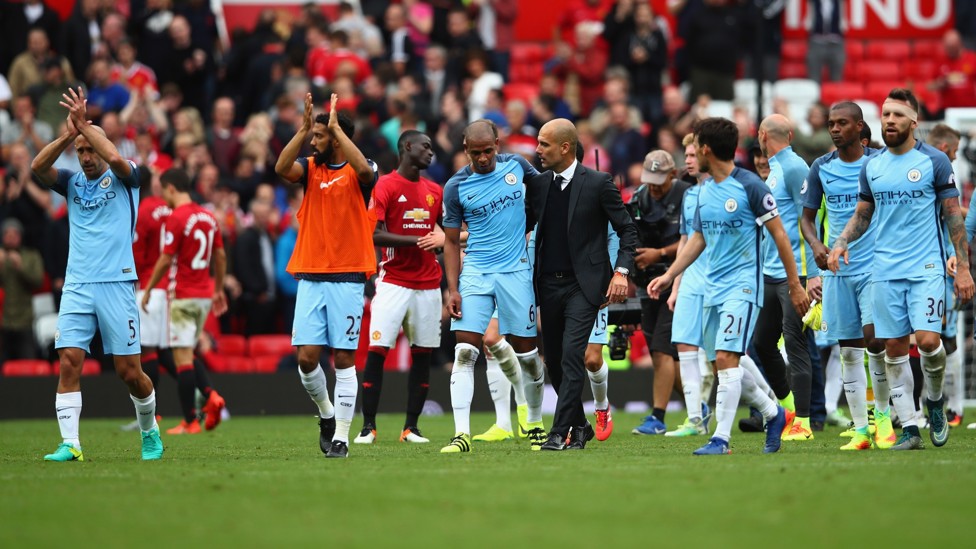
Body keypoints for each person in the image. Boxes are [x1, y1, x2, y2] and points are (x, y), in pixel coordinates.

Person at [648, 117, 808, 456]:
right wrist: (668, 275)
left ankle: (720, 439)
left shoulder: (750, 186)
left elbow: (780, 234)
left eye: (695, 149)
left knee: (725, 357)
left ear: (705, 149)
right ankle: (773, 412)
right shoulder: (704, 192)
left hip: (743, 288)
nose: (691, 154)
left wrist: (795, 284)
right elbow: (698, 239)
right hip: (711, 288)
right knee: (722, 362)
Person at [828, 88, 974, 450]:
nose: (889, 120)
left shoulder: (935, 162)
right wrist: (842, 241)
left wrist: (963, 268)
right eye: (885, 114)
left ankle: (935, 403)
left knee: (928, 341)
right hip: (885, 270)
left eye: (896, 114)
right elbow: (864, 213)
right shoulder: (872, 166)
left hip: (925, 267)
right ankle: (909, 427)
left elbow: (953, 215)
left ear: (913, 121)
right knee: (892, 348)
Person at [31, 86, 163, 461]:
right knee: (70, 360)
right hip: (77, 284)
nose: (86, 157)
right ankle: (71, 443)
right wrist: (68, 135)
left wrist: (87, 129)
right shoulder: (72, 183)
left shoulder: (128, 179)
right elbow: (37, 168)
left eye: (90, 149)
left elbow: (112, 155)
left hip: (117, 283)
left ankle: (150, 431)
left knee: (129, 372)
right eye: (81, 152)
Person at [524, 118, 638, 451]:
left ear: (565, 147)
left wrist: (621, 272)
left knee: (573, 355)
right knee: (554, 363)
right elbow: (524, 225)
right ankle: (580, 424)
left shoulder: (599, 182)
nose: (538, 149)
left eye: (544, 144)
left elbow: (627, 230)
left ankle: (559, 432)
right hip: (548, 284)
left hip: (584, 287)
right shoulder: (541, 185)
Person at [275, 93, 378, 459]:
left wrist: (335, 128)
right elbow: (280, 168)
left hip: (349, 275)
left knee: (345, 358)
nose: (314, 143)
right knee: (306, 359)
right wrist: (303, 129)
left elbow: (366, 173)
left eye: (320, 136)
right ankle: (327, 414)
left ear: (336, 137)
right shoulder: (311, 168)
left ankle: (342, 439)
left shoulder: (359, 168)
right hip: (311, 273)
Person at [441, 119, 547, 453]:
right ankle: (462, 435)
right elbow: (449, 241)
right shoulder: (456, 186)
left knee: (529, 356)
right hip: (476, 273)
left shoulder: (517, 165)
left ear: (497, 145)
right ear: (465, 150)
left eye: (488, 151)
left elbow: (547, 194)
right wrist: (452, 287)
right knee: (465, 352)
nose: (483, 157)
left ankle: (534, 423)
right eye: (476, 153)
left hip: (516, 272)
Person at [800, 101, 895, 451]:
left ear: (860, 127)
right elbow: (807, 219)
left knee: (875, 341)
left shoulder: (879, 164)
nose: (835, 129)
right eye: (831, 124)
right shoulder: (820, 168)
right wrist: (816, 247)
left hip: (875, 266)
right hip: (837, 271)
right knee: (848, 350)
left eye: (842, 123)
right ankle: (860, 430)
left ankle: (882, 417)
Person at [354, 130, 443, 445]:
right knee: (377, 352)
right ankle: (368, 427)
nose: (431, 152)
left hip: (429, 285)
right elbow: (374, 235)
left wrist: (442, 240)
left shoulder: (435, 190)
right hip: (393, 282)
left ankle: (411, 428)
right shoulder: (385, 186)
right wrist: (420, 241)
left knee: (422, 355)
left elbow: (443, 235)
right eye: (426, 146)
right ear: (408, 147)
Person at [141, 168, 228, 435]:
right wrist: (219, 289)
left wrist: (149, 288)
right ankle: (211, 397)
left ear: (170, 188)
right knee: (186, 355)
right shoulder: (208, 216)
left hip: (182, 295)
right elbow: (221, 256)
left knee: (182, 360)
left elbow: (166, 258)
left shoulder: (177, 218)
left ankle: (190, 420)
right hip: (204, 295)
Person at [751, 114, 819, 441]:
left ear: (763, 135)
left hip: (796, 274)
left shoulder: (794, 168)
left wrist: (810, 277)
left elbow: (810, 221)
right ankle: (789, 408)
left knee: (795, 343)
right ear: (790, 134)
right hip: (769, 273)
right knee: (762, 342)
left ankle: (804, 423)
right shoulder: (776, 168)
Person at [627, 150, 688, 435]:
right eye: (649, 180)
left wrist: (659, 253)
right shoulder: (639, 197)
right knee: (660, 352)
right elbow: (629, 235)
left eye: (659, 181)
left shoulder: (689, 196)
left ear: (673, 175)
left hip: (678, 279)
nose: (653, 186)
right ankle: (698, 408)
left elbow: (695, 240)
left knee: (663, 348)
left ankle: (658, 417)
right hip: (645, 282)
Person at [664, 133, 714, 437]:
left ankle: (771, 407)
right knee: (684, 344)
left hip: (719, 280)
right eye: (686, 154)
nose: (688, 160)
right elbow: (685, 240)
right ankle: (695, 418)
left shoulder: (724, 190)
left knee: (724, 356)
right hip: (691, 280)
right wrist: (676, 284)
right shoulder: (689, 195)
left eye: (693, 154)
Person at [926, 123, 965, 428]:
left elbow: (952, 215)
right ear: (942, 149)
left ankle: (952, 407)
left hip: (941, 271)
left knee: (945, 338)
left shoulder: (939, 179)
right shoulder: (929, 174)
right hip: (928, 271)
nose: (954, 158)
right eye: (952, 152)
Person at [0, 218, 45, 362]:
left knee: (28, 365)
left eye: (15, 234)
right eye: (8, 234)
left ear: (21, 236)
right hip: (2, 321)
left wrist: (21, 266)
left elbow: (38, 281)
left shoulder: (31, 256)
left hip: (24, 320)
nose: (11, 238)